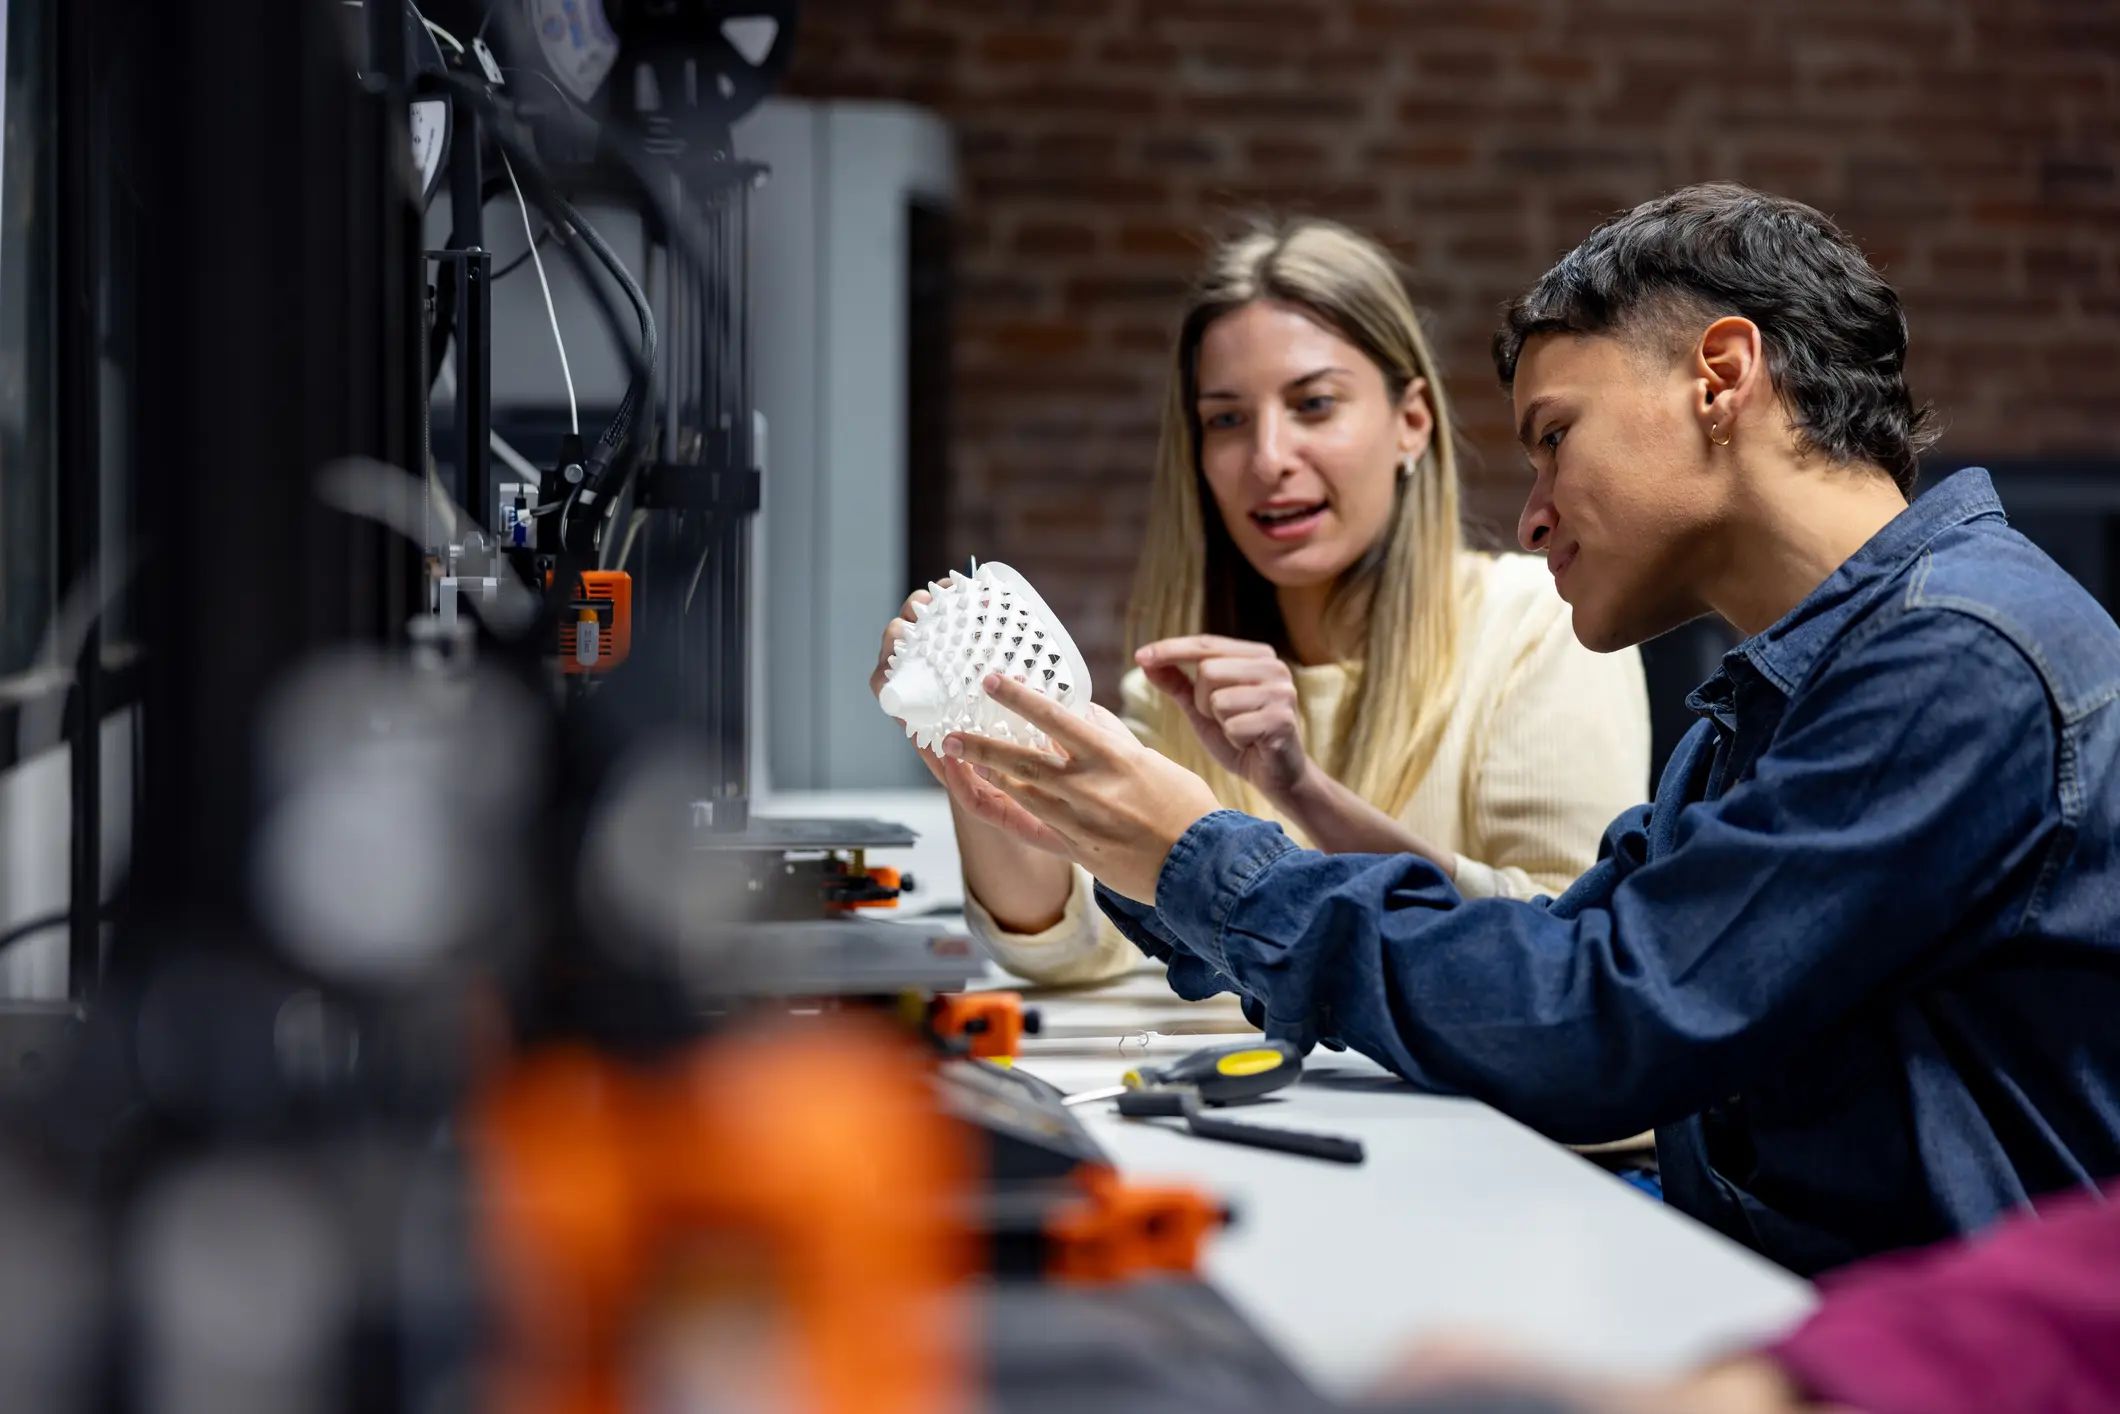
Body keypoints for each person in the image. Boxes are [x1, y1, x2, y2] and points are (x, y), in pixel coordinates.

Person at [929, 184, 2120, 1275]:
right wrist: (1150, 846)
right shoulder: (1774, 690)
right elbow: (1556, 951)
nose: (1533, 513)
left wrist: (1201, 858)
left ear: (1719, 375)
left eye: (1553, 436)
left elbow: (1596, 1017)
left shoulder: (1960, 658)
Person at [873, 218, 1650, 994]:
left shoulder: (1538, 625)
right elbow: (1077, 947)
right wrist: (974, 748)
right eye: (1227, 420)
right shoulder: (1180, 690)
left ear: (1411, 423)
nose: (1269, 459)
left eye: (1313, 405)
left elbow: (1567, 934)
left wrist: (1298, 789)